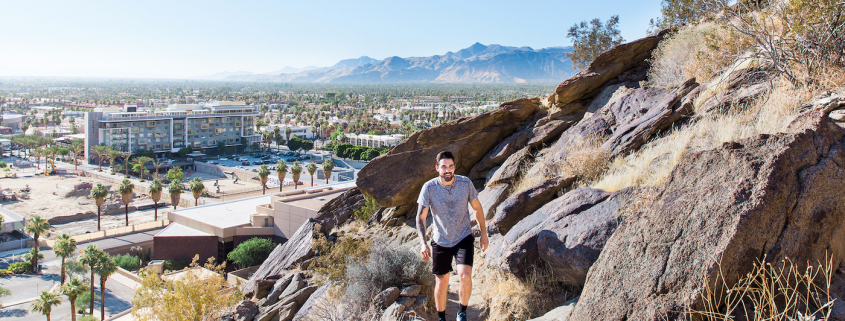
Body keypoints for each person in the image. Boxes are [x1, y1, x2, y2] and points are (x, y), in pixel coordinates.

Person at [416, 151, 488, 321]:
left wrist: (484, 234)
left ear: (454, 167)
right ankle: (442, 318)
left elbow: (477, 208)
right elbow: (420, 217)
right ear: (437, 168)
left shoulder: (465, 183)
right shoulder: (429, 188)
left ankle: (462, 312)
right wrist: (423, 243)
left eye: (450, 166)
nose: (447, 170)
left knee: (464, 276)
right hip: (440, 240)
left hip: (463, 237)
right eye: (443, 167)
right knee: (441, 282)